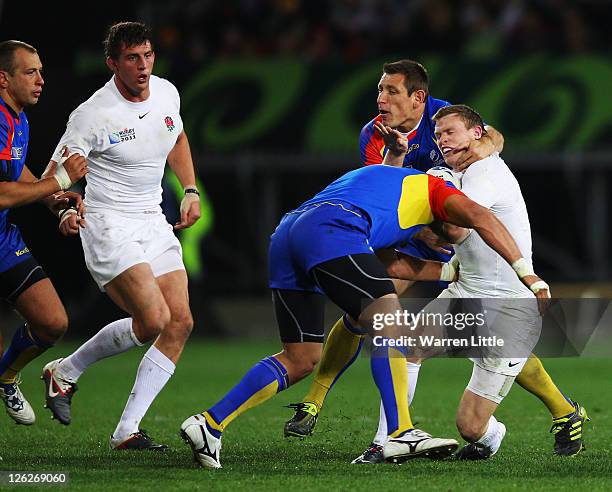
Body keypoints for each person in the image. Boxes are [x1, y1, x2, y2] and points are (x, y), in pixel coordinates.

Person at [285, 59, 581, 463]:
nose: (381, 99)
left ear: (417, 98)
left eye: (391, 91)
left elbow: (464, 214)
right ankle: (384, 435)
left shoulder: (479, 170)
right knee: (388, 328)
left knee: (470, 423)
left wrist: (457, 178)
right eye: (380, 90)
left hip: (497, 294)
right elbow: (380, 189)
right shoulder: (379, 136)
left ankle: (555, 414)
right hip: (446, 258)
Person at [180, 160, 550, 469]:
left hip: (289, 233)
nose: (448, 238)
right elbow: (481, 217)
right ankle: (399, 432)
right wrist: (526, 272)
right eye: (447, 233)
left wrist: (449, 272)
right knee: (392, 325)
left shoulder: (391, 192)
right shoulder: (439, 193)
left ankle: (210, 424)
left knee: (301, 357)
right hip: (332, 229)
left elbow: (392, 262)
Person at [360, 105, 588, 461]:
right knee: (406, 347)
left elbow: (456, 229)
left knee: (470, 427)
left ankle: (500, 432)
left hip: (508, 307)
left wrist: (424, 217)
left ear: (477, 134)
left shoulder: (485, 174)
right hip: (465, 291)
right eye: (438, 135)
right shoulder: (457, 169)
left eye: (450, 133)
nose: (442, 140)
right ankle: (388, 439)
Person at [40, 22, 201, 450]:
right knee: (153, 321)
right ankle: (66, 370)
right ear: (113, 63)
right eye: (132, 58)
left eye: (147, 55)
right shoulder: (92, 115)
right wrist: (65, 207)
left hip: (153, 218)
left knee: (180, 321)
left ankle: (126, 430)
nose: (143, 66)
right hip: (109, 222)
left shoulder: (167, 92)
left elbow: (177, 137)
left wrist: (188, 189)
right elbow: (50, 180)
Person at [0, 40, 87, 425]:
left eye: (40, 70)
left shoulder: (18, 117)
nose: (41, 80)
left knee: (52, 322)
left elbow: (14, 175)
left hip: (2, 239)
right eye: (30, 72)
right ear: (4, 78)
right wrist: (62, 178)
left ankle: (5, 377)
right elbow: (2, 194)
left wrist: (54, 198)